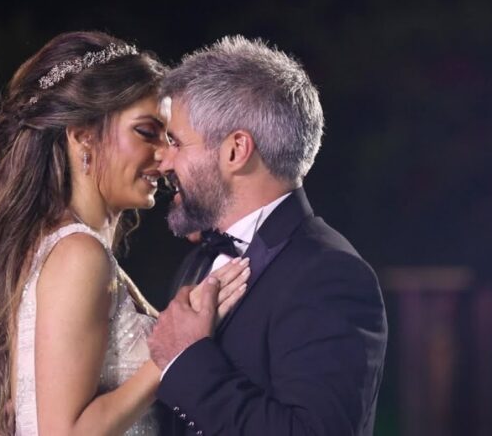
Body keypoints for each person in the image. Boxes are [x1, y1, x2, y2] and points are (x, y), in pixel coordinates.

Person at [0, 31, 249, 436]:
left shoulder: (65, 249)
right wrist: (170, 355)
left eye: (167, 137)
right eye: (146, 132)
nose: (164, 155)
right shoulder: (78, 255)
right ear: (83, 136)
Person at [148, 36, 388, 435]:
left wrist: (188, 358)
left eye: (175, 142)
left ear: (236, 150)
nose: (163, 162)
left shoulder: (330, 275)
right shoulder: (198, 260)